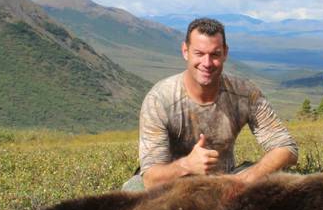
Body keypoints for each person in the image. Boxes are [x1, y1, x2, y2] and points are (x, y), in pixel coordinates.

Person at [124, 17, 299, 191]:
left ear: (225, 53)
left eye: (214, 54)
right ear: (185, 51)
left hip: (227, 181)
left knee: (289, 184)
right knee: (133, 189)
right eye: (199, 54)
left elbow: (286, 148)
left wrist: (247, 178)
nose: (207, 63)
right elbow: (150, 178)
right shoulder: (159, 100)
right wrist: (187, 165)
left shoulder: (245, 93)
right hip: (171, 187)